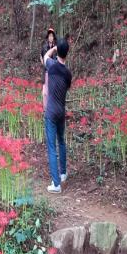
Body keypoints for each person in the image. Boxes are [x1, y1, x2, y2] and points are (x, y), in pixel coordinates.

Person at [43, 38, 72, 193]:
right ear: (67, 53)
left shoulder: (52, 66)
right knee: (61, 141)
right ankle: (63, 174)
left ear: (57, 51)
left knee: (52, 147)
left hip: (51, 112)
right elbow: (67, 87)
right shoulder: (68, 74)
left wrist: (53, 49)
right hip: (61, 111)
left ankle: (56, 184)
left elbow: (45, 57)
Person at [40, 28, 57, 109]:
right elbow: (41, 56)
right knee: (45, 93)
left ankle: (51, 108)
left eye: (52, 36)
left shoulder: (56, 48)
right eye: (49, 36)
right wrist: (43, 63)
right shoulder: (44, 47)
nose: (51, 37)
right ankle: (45, 109)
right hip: (46, 71)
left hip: (53, 72)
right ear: (48, 37)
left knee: (52, 91)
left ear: (53, 37)